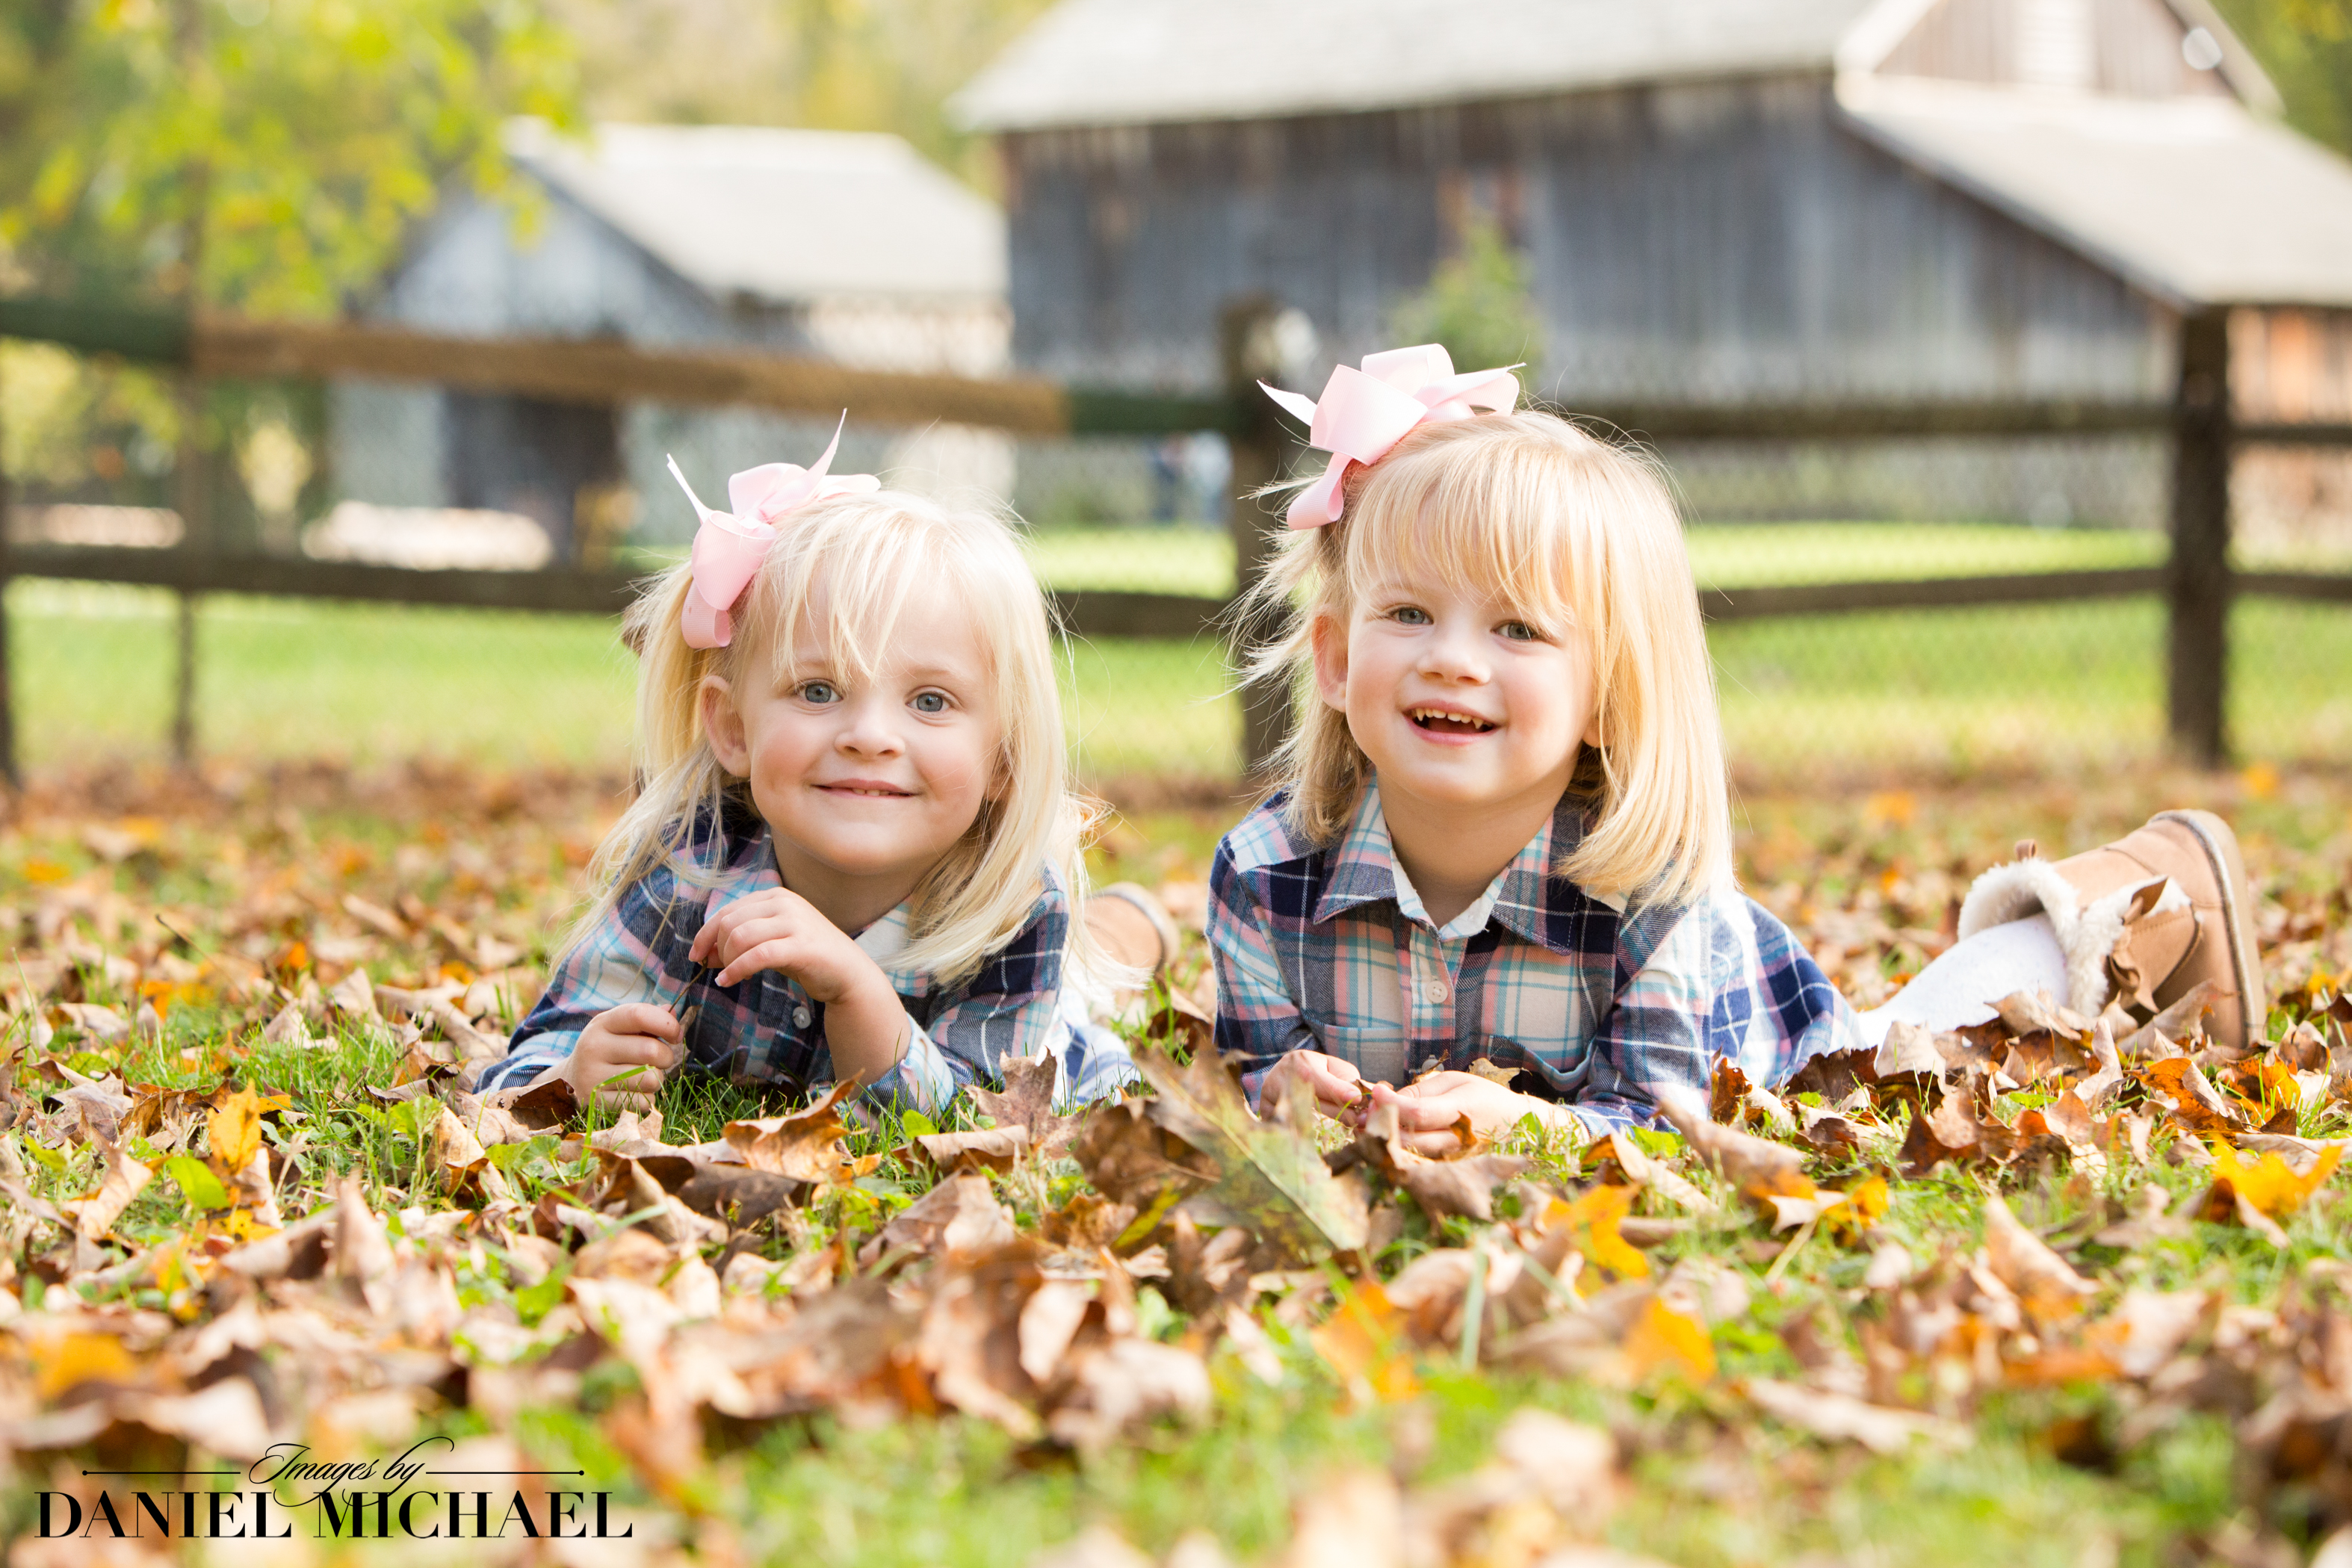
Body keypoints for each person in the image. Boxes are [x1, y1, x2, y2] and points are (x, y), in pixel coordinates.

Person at [1209, 346, 2264, 1147]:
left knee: (1927, 1045)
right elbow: (1258, 1064)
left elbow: (1664, 1119)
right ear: (1338, 660)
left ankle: (2154, 894)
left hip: (1773, 1054)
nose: (1453, 659)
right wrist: (1284, 1091)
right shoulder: (1262, 877)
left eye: (1518, 628)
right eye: (1407, 614)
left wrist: (1523, 1126)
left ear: (1604, 693)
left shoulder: (1653, 894)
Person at [479, 427, 1169, 1111]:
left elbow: (974, 1115)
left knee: (1088, 987)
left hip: (1045, 1028)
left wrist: (857, 990)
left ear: (1004, 759)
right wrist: (571, 1075)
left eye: (930, 701)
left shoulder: (1017, 908)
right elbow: (531, 1059)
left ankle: (1131, 922)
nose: (869, 736)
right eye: (818, 691)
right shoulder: (685, 864)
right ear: (732, 727)